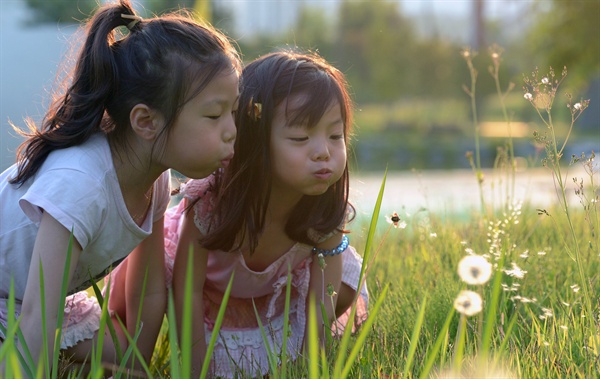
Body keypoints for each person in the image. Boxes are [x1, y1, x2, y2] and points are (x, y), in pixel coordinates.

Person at [0, 0, 240, 374]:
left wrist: (137, 369)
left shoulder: (156, 180)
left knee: (114, 361)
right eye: (213, 115)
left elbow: (148, 290)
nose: (232, 131)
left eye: (233, 111)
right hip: (28, 303)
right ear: (146, 122)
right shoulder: (82, 186)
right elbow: (38, 314)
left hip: (30, 300)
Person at [165, 50, 369, 378]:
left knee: (345, 281)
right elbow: (187, 287)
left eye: (335, 135)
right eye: (301, 137)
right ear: (255, 140)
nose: (324, 152)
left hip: (274, 293)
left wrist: (309, 364)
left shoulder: (324, 207)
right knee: (160, 280)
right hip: (205, 293)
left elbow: (323, 295)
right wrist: (194, 368)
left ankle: (283, 352)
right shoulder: (212, 200)